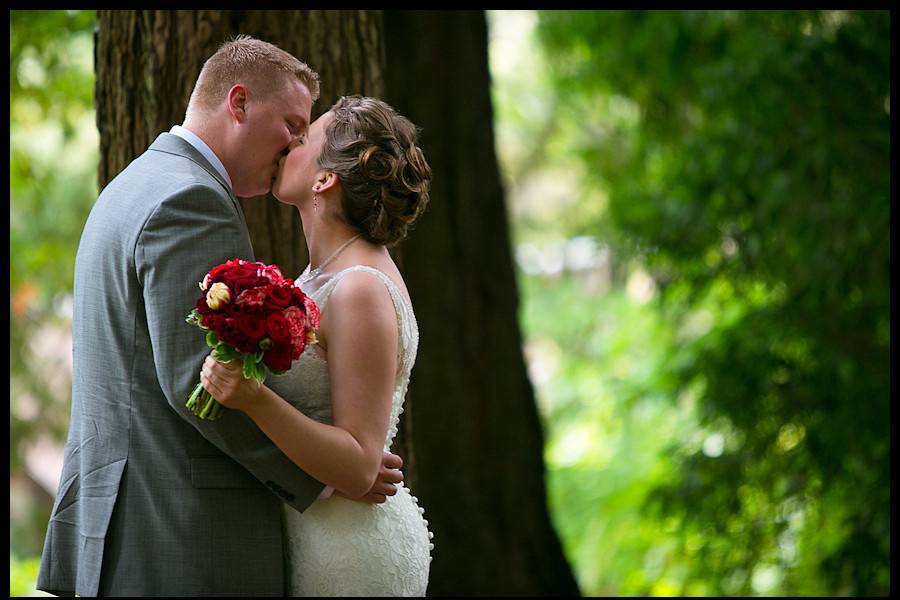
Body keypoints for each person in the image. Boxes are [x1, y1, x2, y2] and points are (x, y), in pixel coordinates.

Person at [36, 37, 405, 597]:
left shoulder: (135, 183)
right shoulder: (192, 201)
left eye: (306, 133)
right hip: (181, 534)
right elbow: (201, 384)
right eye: (290, 123)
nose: (293, 144)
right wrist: (330, 475)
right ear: (238, 103)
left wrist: (344, 461)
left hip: (121, 524)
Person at [200, 95, 433, 596]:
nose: (289, 143)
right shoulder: (322, 277)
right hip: (310, 531)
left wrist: (252, 397)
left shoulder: (360, 287)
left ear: (326, 180)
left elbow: (357, 465)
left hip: (349, 553)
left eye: (304, 139)